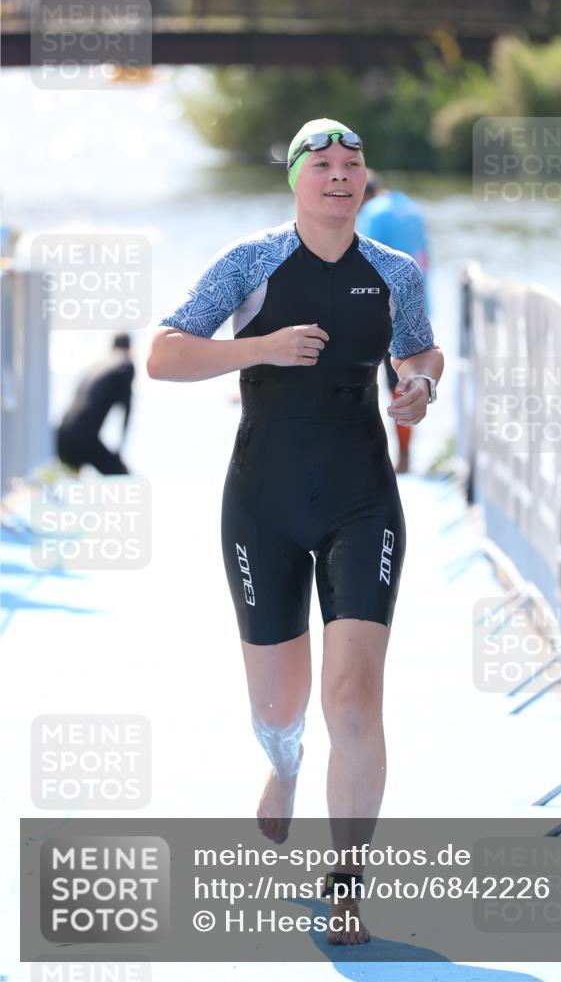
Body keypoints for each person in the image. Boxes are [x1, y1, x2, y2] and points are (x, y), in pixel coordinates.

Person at [147, 118, 444, 945]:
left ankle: (346, 884)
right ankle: (284, 766)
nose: (340, 175)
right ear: (295, 180)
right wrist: (262, 348)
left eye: (352, 163)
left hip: (361, 500)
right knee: (278, 708)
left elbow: (421, 353)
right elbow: (163, 354)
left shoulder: (393, 270)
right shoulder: (249, 263)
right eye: (323, 164)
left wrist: (419, 388)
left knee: (352, 699)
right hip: (263, 505)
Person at [357, 170, 431, 473]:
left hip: (379, 310)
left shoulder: (373, 214)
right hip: (416, 306)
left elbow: (362, 260)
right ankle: (405, 458)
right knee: (405, 383)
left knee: (360, 383)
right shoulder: (412, 208)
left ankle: (371, 459)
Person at [56, 333, 134, 475]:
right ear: (129, 347)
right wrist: (119, 451)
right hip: (83, 438)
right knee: (123, 475)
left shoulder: (96, 365)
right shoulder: (125, 364)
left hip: (62, 435)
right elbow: (127, 410)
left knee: (71, 477)